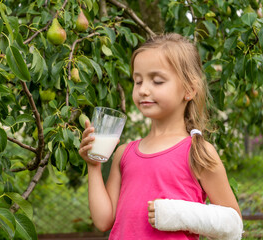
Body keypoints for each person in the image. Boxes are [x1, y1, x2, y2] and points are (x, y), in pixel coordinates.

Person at [78, 33, 242, 239]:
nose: (143, 90)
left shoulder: (198, 153)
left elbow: (233, 224)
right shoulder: (123, 153)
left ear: (189, 89)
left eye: (157, 81)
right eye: (137, 81)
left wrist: (180, 214)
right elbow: (103, 220)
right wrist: (93, 165)